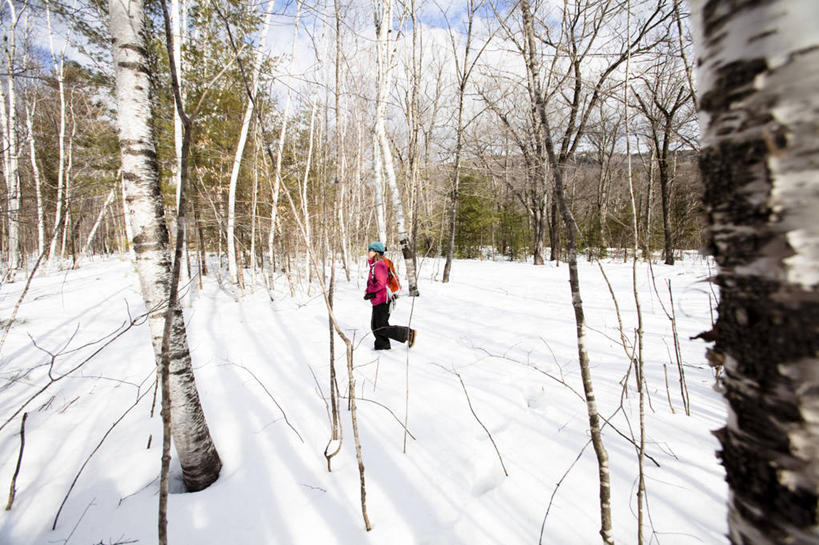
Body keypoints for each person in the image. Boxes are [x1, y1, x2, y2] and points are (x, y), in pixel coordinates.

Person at [364, 241, 417, 350]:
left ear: (376, 252)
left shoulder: (380, 264)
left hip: (383, 300)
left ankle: (407, 333)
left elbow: (381, 283)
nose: (368, 252)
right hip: (378, 299)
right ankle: (382, 347)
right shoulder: (375, 264)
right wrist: (369, 290)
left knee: (381, 327)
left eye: (371, 250)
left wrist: (369, 290)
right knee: (376, 326)